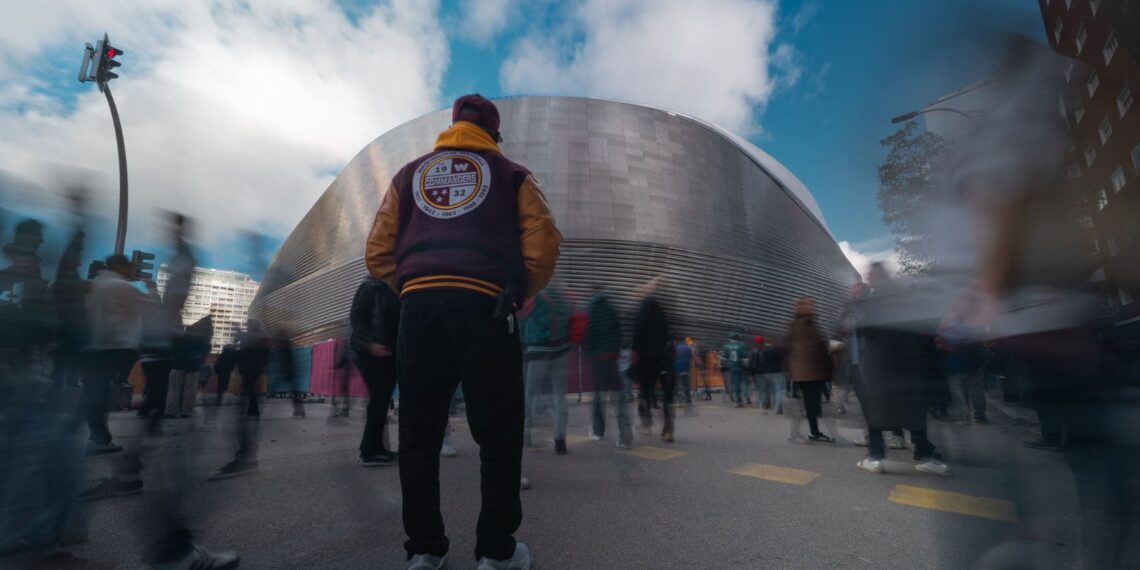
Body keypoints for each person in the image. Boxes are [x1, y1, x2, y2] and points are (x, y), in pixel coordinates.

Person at [365, 93, 561, 570]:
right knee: (498, 434)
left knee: (419, 434)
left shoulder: (408, 175)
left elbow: (377, 250)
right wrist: (518, 289)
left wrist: (414, 286)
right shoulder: (513, 175)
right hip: (486, 307)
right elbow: (543, 242)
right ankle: (496, 552)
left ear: (452, 128)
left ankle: (425, 551)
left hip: (421, 312)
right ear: (493, 134)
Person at [81, 254, 156, 456]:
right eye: (131, 266)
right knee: (102, 392)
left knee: (94, 391)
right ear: (121, 266)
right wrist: (150, 286)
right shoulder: (122, 287)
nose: (133, 270)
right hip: (116, 347)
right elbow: (152, 309)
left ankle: (97, 436)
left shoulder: (94, 285)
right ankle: (98, 438)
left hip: (92, 346)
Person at [350, 276, 401, 466]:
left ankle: (375, 448)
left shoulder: (397, 286)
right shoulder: (370, 286)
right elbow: (356, 317)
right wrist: (370, 344)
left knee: (381, 399)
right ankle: (369, 451)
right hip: (370, 351)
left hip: (389, 351)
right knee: (379, 398)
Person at [522, 285, 572, 454]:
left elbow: (522, 316)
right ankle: (560, 440)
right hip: (560, 349)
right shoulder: (561, 296)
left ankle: (526, 435)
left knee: (530, 393)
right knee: (559, 395)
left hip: (538, 350)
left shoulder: (534, 295)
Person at [584, 285, 630, 447]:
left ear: (593, 293)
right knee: (618, 397)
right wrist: (615, 351)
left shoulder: (590, 308)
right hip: (611, 359)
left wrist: (588, 352)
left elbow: (588, 333)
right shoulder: (611, 308)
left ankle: (598, 431)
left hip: (597, 360)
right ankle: (625, 437)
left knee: (598, 397)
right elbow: (618, 332)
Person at [786, 298, 834, 443]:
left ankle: (804, 433)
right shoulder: (805, 324)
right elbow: (815, 348)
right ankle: (812, 433)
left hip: (806, 372)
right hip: (810, 372)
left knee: (808, 405)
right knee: (810, 405)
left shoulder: (799, 323)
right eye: (809, 305)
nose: (813, 307)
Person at [632, 278, 673, 442]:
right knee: (667, 394)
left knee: (645, 391)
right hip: (664, 357)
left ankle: (646, 425)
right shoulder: (663, 311)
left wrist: (636, 352)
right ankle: (668, 429)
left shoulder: (644, 308)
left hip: (647, 358)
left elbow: (638, 332)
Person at [165, 316, 212, 418]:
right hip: (193, 365)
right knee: (189, 389)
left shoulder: (185, 333)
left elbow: (173, 347)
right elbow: (204, 351)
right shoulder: (203, 337)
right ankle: (186, 411)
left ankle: (171, 411)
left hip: (178, 363)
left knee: (174, 389)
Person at [720, 333, 749, 406]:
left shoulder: (726, 346)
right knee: (742, 383)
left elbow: (723, 358)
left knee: (733, 383)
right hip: (740, 366)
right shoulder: (742, 345)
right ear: (737, 338)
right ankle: (743, 397)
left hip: (730, 367)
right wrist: (746, 366)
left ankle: (735, 398)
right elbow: (745, 358)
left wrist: (722, 366)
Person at [673, 336, 693, 406]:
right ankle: (688, 399)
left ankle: (680, 399)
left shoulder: (675, 348)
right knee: (686, 384)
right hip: (685, 369)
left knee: (679, 384)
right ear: (684, 341)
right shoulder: (688, 348)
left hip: (677, 369)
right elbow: (690, 358)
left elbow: (673, 358)